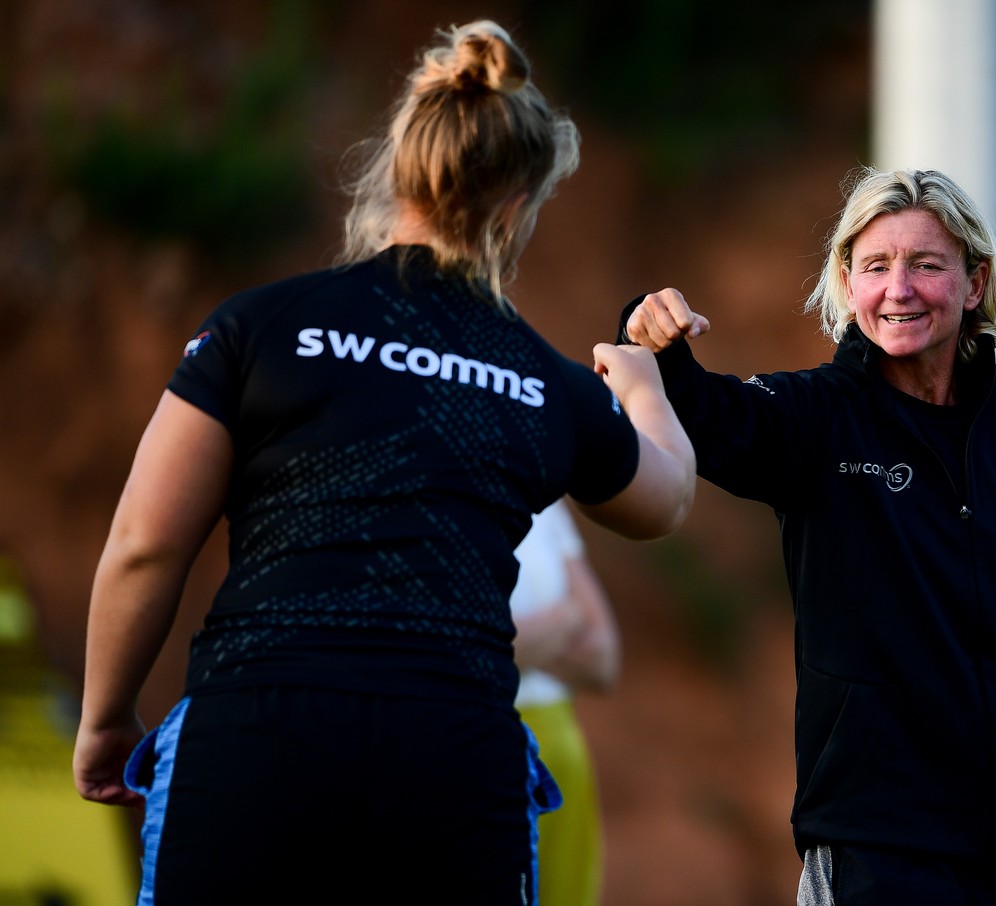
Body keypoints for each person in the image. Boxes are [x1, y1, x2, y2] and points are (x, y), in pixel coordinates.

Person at [72, 20, 694, 906]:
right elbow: (665, 499)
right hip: (450, 758)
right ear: (519, 204)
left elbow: (143, 543)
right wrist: (642, 388)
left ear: (396, 170)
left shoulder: (261, 326)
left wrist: (104, 723)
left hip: (256, 735)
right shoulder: (542, 380)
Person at [621, 166, 996, 905]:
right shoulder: (815, 418)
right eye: (875, 267)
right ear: (848, 284)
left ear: (974, 283)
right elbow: (709, 417)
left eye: (925, 265)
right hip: (881, 847)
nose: (897, 289)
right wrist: (652, 341)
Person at [510, 499, 618, 906]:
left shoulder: (546, 502)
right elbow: (437, 648)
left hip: (562, 756)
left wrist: (508, 642)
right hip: (481, 740)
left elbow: (603, 657)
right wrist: (566, 619)